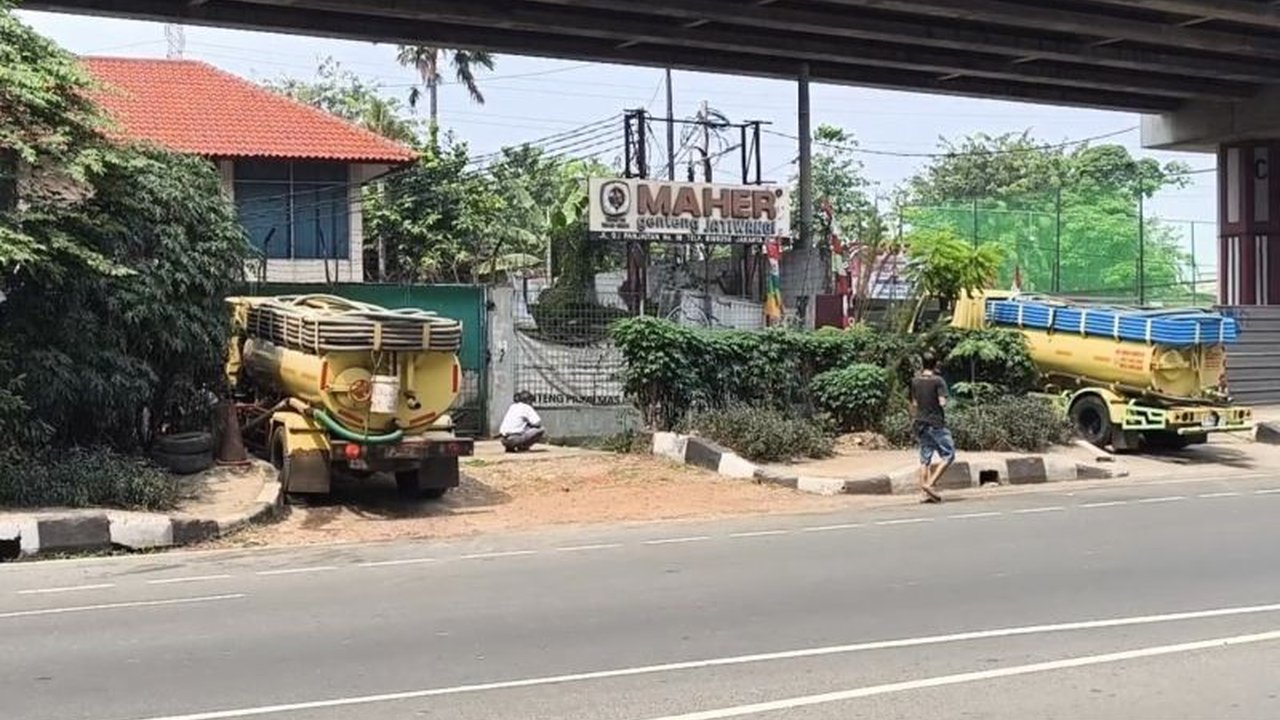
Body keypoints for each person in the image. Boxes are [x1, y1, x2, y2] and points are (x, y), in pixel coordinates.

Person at [910, 352, 954, 503]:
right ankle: (930, 484)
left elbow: (914, 404)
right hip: (936, 423)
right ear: (935, 365)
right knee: (949, 455)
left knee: (925, 459)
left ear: (922, 364)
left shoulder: (915, 381)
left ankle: (925, 494)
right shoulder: (938, 381)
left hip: (920, 423)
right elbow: (942, 402)